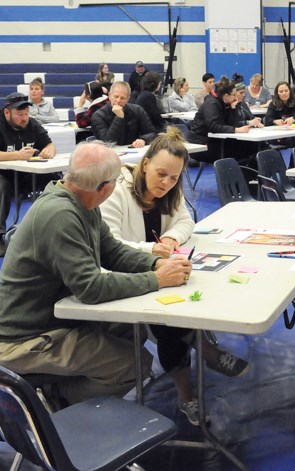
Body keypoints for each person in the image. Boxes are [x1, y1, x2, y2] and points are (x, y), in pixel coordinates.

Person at [0, 142, 193, 406]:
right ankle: (51, 404)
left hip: (50, 321)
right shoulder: (60, 215)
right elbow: (91, 288)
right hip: (26, 339)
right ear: (104, 188)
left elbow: (113, 252)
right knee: (135, 365)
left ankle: (68, 390)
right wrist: (157, 280)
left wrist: (154, 264)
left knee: (134, 331)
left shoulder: (81, 201)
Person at [99, 129, 248, 425]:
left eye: (174, 177)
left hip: (159, 266)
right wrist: (152, 249)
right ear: (144, 164)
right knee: (167, 320)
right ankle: (188, 390)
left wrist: (169, 239)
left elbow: (185, 220)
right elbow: (109, 244)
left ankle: (205, 355)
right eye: (161, 174)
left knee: (187, 299)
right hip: (125, 274)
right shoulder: (117, 191)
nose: (166, 183)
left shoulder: (170, 191)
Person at [0, 93, 58, 257]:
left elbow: (49, 143)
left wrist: (49, 149)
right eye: (20, 115)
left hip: (19, 174)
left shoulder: (32, 124)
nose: (24, 118)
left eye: (26, 114)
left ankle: (52, 228)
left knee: (54, 179)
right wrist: (17, 155)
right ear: (7, 113)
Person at [188, 78, 258, 164]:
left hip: (217, 140)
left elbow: (232, 124)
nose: (235, 97)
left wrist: (233, 108)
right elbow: (213, 126)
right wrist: (236, 130)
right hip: (202, 143)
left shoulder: (226, 103)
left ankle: (249, 175)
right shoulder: (211, 103)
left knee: (254, 145)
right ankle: (240, 174)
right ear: (226, 96)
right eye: (233, 94)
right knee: (245, 149)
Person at [91, 81, 157, 147]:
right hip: (110, 154)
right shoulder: (98, 115)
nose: (118, 100)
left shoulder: (137, 110)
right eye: (116, 97)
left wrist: (144, 139)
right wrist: (119, 117)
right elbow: (107, 142)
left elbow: (152, 133)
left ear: (128, 99)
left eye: (122, 98)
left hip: (134, 151)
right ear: (110, 95)